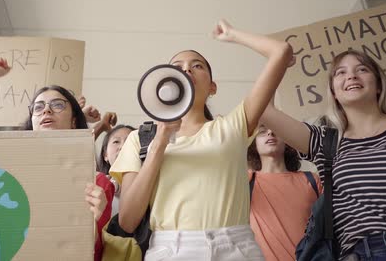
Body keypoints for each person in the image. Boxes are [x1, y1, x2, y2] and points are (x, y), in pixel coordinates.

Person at [110, 19, 293, 260]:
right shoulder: (139, 139)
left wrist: (233, 34)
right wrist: (160, 142)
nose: (186, 70)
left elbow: (281, 51)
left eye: (197, 66)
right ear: (163, 82)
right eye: (178, 66)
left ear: (213, 87)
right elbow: (128, 220)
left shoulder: (233, 126)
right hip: (170, 249)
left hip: (236, 247)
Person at [260, 49, 386, 260]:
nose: (351, 76)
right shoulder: (324, 141)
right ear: (334, 92)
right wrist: (278, 61)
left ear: (379, 85)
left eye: (362, 69)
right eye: (340, 72)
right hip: (361, 253)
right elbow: (263, 109)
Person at [0, 55, 113, 261]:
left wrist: (95, 219)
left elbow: (88, 252)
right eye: (38, 107)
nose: (46, 110)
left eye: (58, 105)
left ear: (74, 119)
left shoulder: (97, 183)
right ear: (32, 120)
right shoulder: (7, 163)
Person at [247, 125, 321, 261]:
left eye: (277, 130)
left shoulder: (311, 180)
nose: (270, 132)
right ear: (253, 143)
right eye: (262, 132)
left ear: (288, 141)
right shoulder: (247, 181)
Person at [97, 124, 136, 217]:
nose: (122, 146)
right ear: (105, 155)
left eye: (130, 141)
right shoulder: (97, 187)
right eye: (116, 141)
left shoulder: (150, 186)